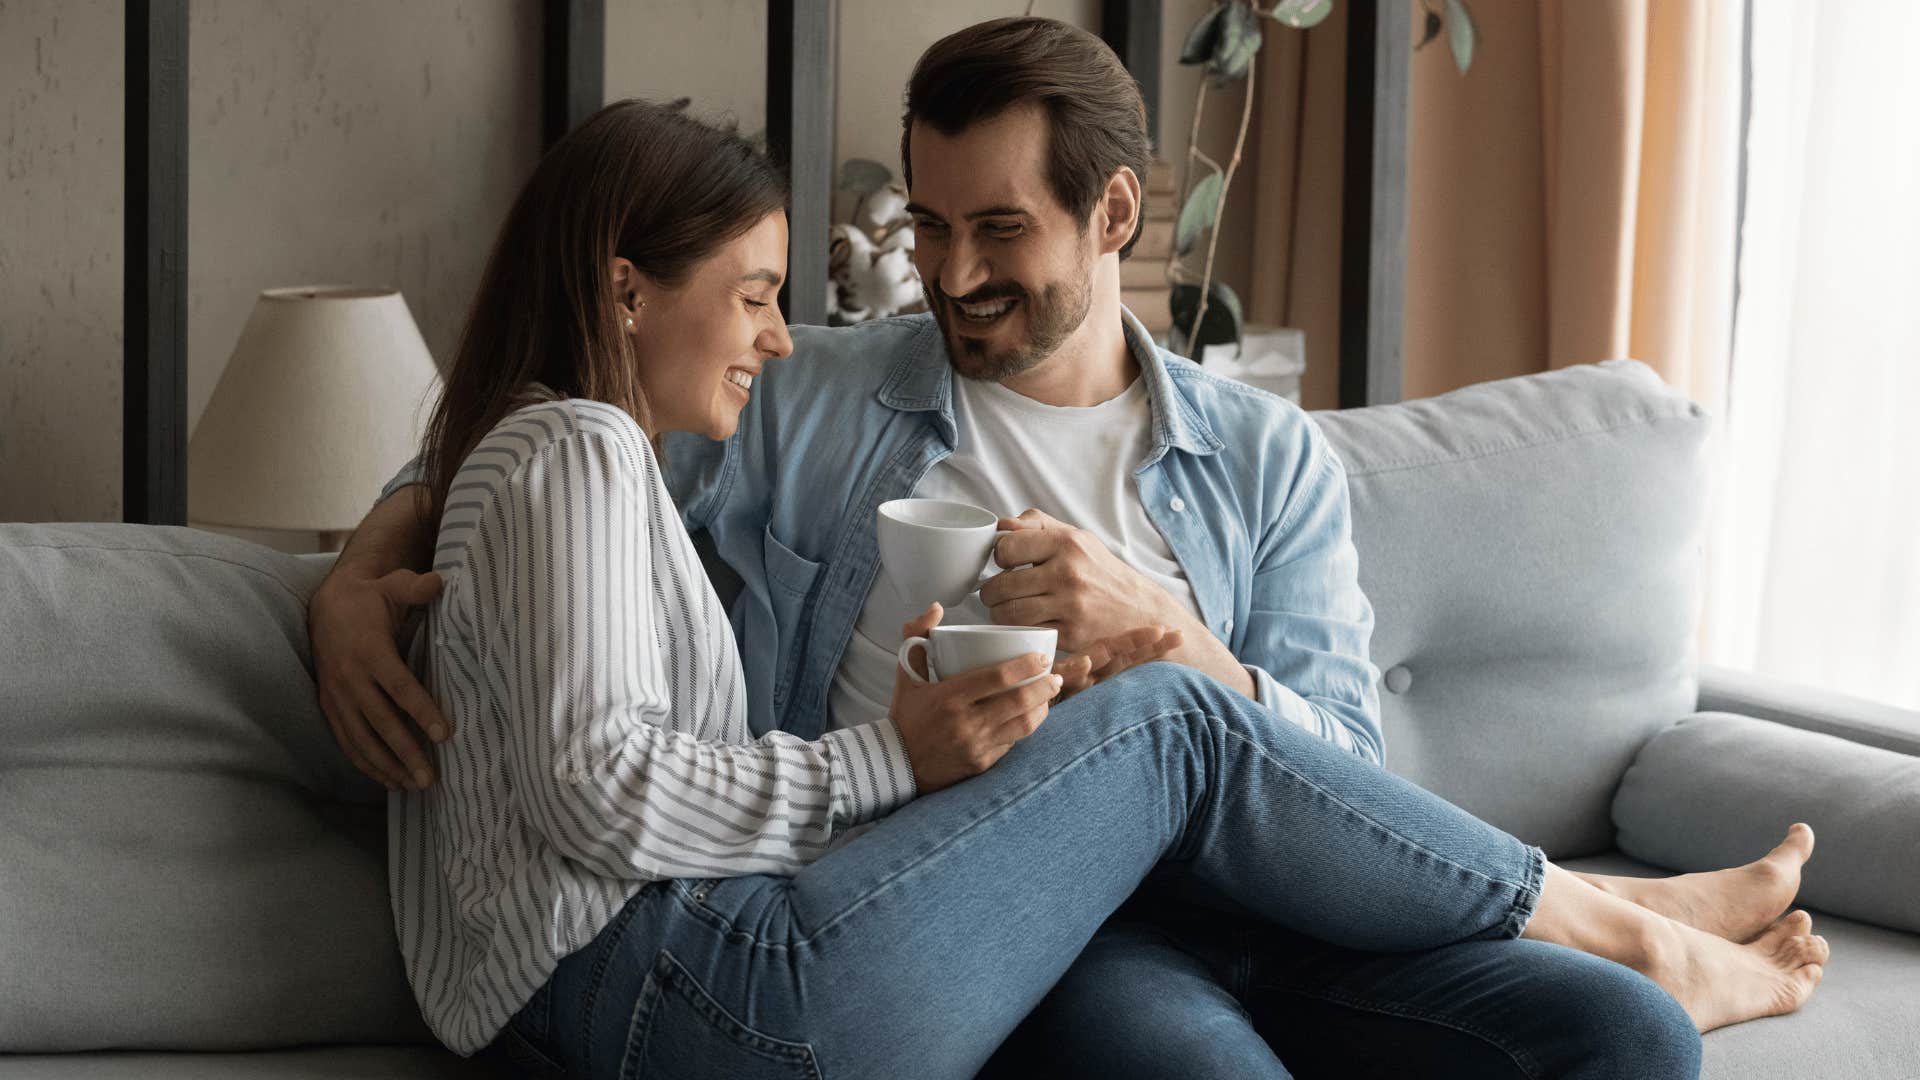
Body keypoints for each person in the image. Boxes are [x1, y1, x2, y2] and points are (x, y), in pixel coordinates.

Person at [311, 24, 1827, 1080]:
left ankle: (1613, 933)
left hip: (1247, 900)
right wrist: (346, 588)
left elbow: (1347, 773)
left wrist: (1175, 632)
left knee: (1623, 1043)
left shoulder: (1263, 461)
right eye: (928, 226)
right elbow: (527, 434)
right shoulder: (805, 390)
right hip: (978, 921)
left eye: (999, 230)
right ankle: (1607, 908)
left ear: (1112, 213)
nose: (953, 274)